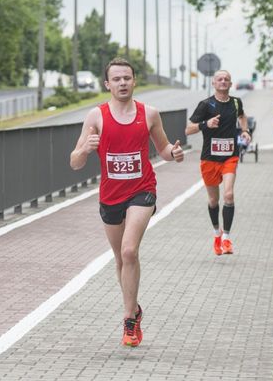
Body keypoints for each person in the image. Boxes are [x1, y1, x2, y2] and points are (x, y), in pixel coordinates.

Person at [70, 57, 184, 348]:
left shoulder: (150, 114)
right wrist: (85, 149)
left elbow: (163, 148)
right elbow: (75, 162)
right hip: (110, 196)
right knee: (120, 260)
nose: (122, 83)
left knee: (129, 250)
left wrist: (174, 153)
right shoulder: (96, 116)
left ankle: (128, 320)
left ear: (134, 81)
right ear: (107, 84)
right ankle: (134, 307)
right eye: (116, 79)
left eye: (127, 78)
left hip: (142, 190)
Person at [185, 70, 251, 256]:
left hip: (230, 156)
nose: (223, 81)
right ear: (213, 83)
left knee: (228, 195)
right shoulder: (206, 105)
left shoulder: (236, 102)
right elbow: (188, 129)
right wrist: (205, 124)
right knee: (214, 200)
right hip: (209, 159)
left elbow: (242, 116)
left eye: (226, 79)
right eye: (220, 79)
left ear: (230, 84)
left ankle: (226, 239)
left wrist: (245, 130)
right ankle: (217, 234)